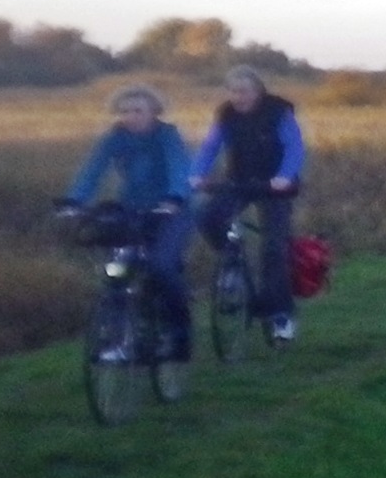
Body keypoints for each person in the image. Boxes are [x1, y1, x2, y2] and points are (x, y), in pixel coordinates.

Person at [62, 85, 194, 367]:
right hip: (133, 208)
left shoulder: (167, 135)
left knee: (161, 266)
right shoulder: (115, 137)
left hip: (174, 210)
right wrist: (75, 200)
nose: (130, 117)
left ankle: (179, 335)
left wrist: (174, 197)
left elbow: (179, 168)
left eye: (137, 111)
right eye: (124, 111)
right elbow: (93, 169)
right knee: (118, 270)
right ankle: (117, 339)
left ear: (154, 112)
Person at [191, 65, 307, 343]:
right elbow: (211, 146)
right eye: (233, 91)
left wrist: (284, 177)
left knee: (274, 249)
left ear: (258, 91)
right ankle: (232, 259)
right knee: (209, 218)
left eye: (244, 91)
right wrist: (196, 174)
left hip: (274, 185)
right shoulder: (226, 114)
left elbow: (294, 147)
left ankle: (280, 315)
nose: (238, 97)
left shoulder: (278, 112)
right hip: (239, 181)